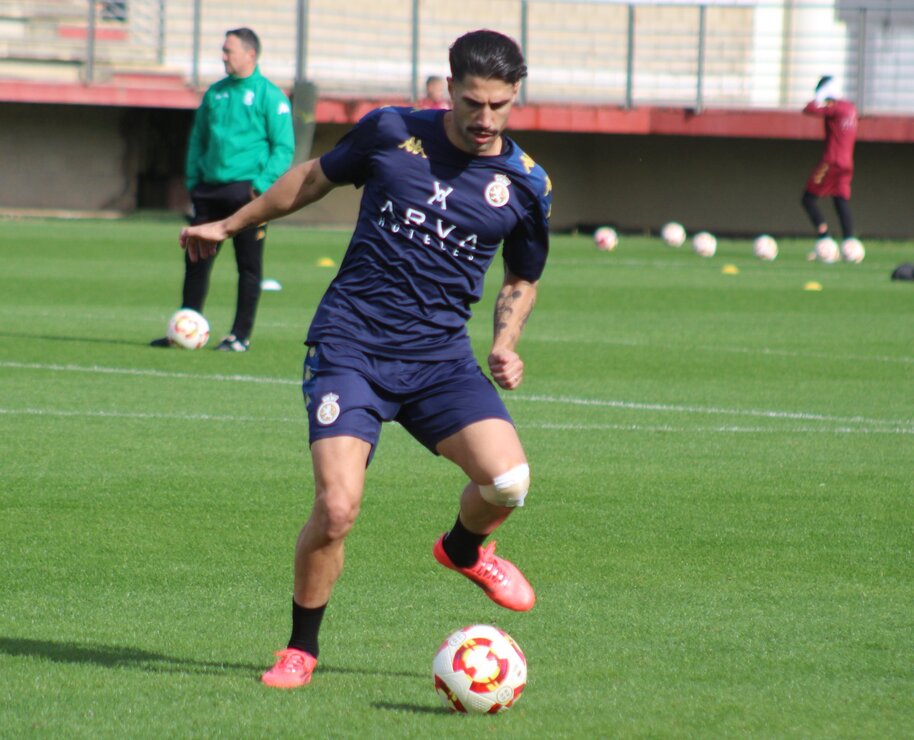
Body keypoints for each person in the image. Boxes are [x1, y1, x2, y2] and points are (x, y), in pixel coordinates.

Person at [179, 29, 552, 689]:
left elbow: (522, 277)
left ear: (516, 97)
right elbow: (311, 180)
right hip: (351, 347)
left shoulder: (526, 185)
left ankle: (463, 548)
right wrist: (228, 224)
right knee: (338, 507)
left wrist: (505, 342)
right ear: (450, 87)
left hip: (440, 361)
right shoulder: (390, 131)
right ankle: (301, 647)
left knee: (509, 484)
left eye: (500, 105)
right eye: (473, 102)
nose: (486, 119)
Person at [151, 27, 294, 352]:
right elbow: (197, 141)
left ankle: (239, 336)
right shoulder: (214, 94)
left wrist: (260, 186)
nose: (223, 56)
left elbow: (283, 147)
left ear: (250, 54)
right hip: (209, 191)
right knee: (196, 261)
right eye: (223, 50)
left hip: (247, 194)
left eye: (228, 50)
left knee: (248, 265)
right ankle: (185, 328)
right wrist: (193, 182)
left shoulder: (269, 96)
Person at [801, 75, 858, 244]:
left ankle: (824, 238)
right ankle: (849, 241)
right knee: (840, 200)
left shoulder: (834, 107)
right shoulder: (850, 107)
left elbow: (809, 108)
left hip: (831, 162)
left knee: (808, 199)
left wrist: (819, 96)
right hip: (847, 163)